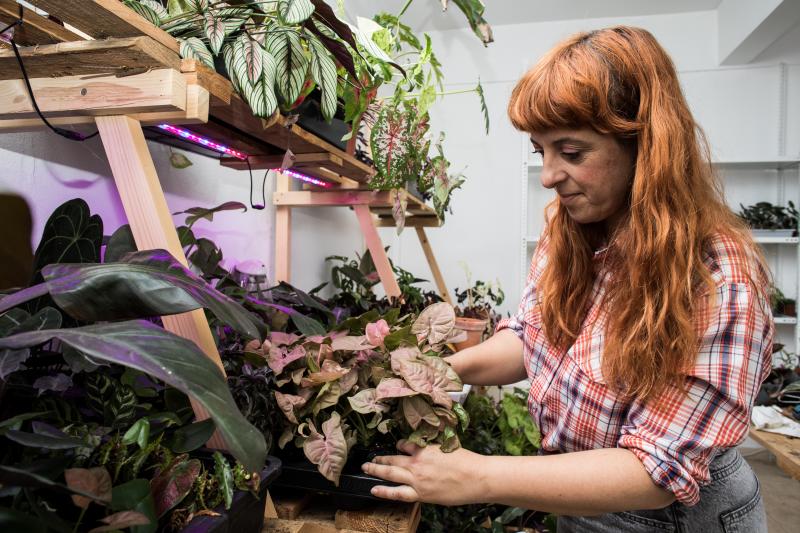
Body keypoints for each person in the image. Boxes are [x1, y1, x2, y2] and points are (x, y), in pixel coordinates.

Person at [361, 26, 774, 532]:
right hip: (580, 497)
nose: (550, 176)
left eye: (572, 152)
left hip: (679, 518)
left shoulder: (716, 275)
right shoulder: (570, 228)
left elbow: (657, 469)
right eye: (541, 152)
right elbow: (533, 338)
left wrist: (481, 476)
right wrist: (439, 372)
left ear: (645, 144)